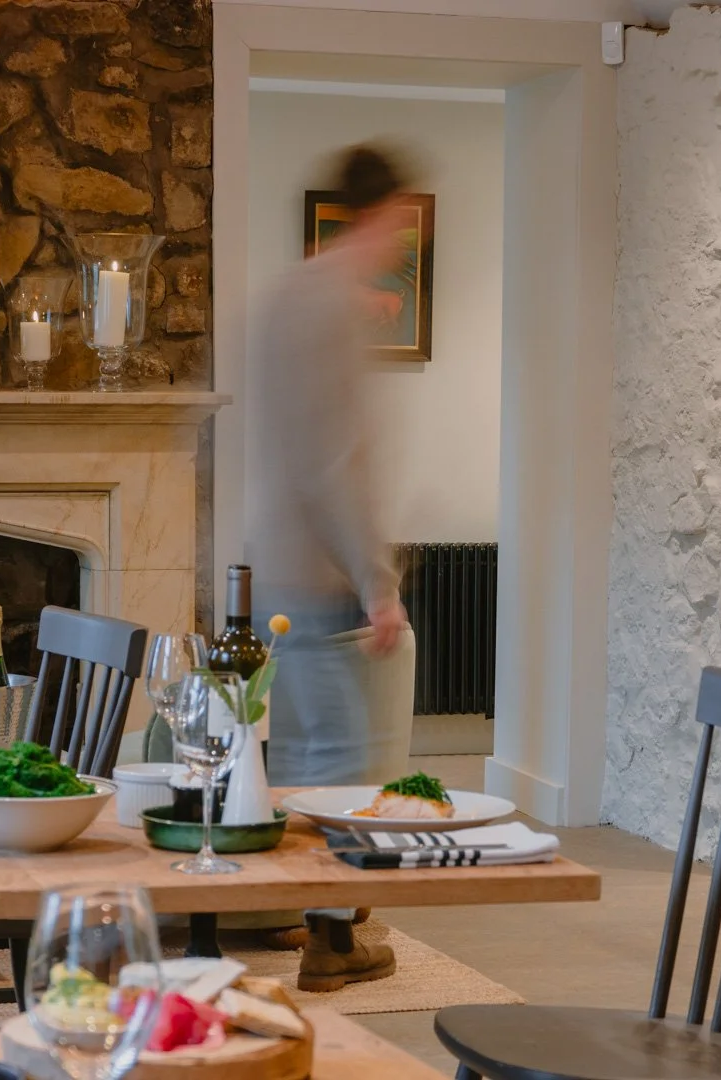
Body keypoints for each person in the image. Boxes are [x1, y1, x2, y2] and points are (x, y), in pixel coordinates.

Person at [247, 143, 414, 992]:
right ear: (383, 214)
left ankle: (294, 906)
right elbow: (336, 462)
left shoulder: (290, 293)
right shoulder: (331, 307)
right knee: (342, 762)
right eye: (399, 227)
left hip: (273, 563)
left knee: (300, 752)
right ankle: (330, 938)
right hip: (319, 570)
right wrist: (378, 583)